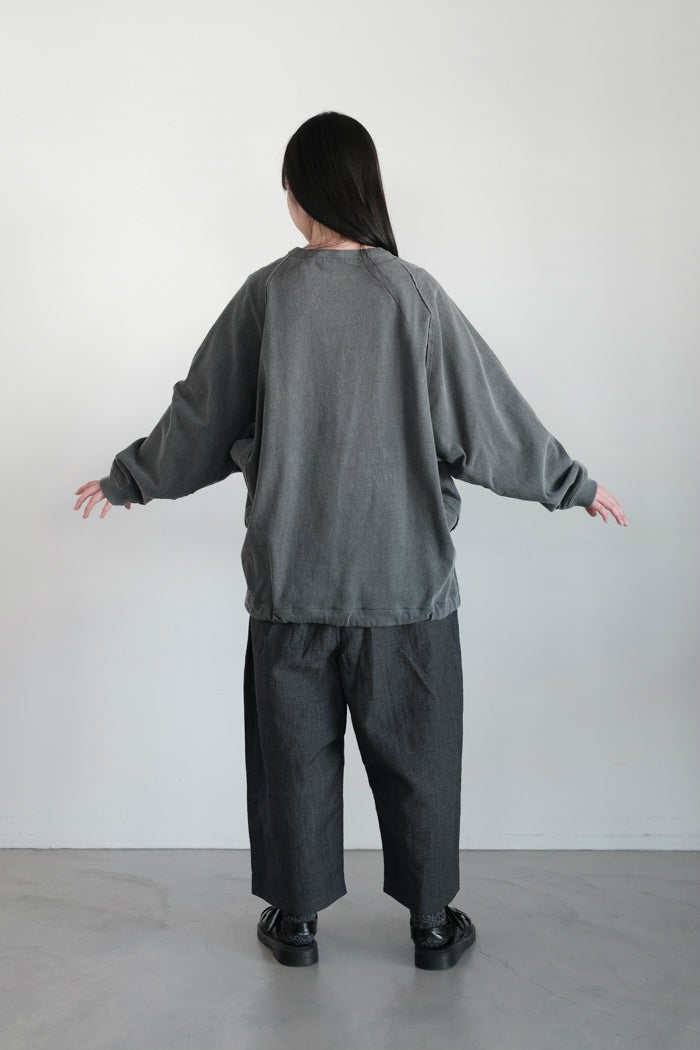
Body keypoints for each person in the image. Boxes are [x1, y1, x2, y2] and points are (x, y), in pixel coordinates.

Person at [74, 111, 628, 971]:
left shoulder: (268, 296)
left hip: (293, 584)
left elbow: (202, 414)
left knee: (294, 763)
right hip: (405, 587)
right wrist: (571, 484)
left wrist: (132, 478)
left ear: (299, 194)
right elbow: (489, 415)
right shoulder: (414, 296)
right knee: (420, 762)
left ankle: (296, 924)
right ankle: (432, 926)